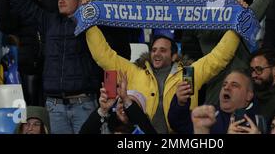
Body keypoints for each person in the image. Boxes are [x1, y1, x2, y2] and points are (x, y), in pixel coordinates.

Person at [85, 24, 241, 134]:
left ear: (174, 55)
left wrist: (237, 27)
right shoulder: (134, 71)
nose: (156, 54)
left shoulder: (188, 74)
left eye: (163, 50)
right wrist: (89, 23)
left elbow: (218, 58)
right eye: (153, 50)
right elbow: (104, 56)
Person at [0, 0, 101, 134]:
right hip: (55, 107)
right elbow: (23, 4)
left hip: (83, 104)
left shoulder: (93, 22)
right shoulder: (49, 21)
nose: (61, 0)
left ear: (81, 1)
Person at [169, 70, 263, 134]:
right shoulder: (207, 114)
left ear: (249, 95)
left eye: (234, 85)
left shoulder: (260, 123)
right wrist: (180, 104)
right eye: (224, 84)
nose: (226, 88)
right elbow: (178, 124)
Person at [79, 72, 156, 134]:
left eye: (131, 104)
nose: (124, 107)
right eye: (121, 102)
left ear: (140, 112)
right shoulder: (105, 127)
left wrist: (126, 99)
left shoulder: (145, 129)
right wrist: (103, 110)